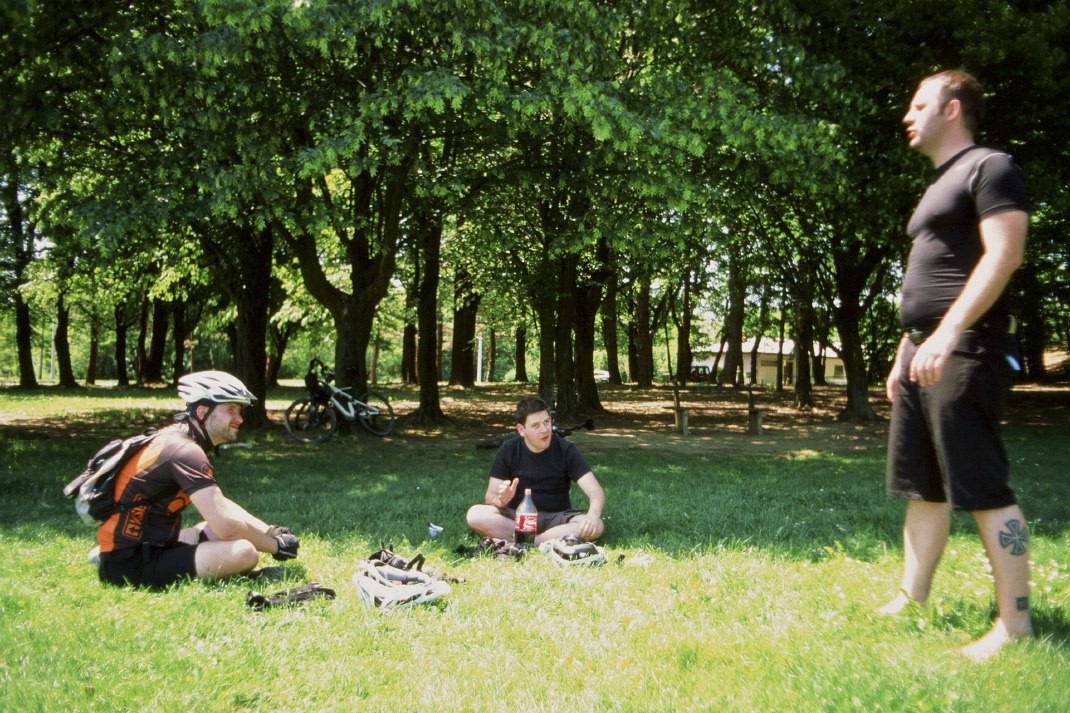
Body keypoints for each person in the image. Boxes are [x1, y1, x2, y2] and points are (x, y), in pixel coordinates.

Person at [878, 70, 1033, 662]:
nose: (907, 115)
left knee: (982, 486)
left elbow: (1005, 253)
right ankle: (910, 598)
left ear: (953, 108)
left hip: (967, 348)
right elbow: (929, 279)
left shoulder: (990, 167)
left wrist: (948, 333)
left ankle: (1015, 625)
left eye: (919, 104)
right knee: (925, 486)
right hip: (925, 349)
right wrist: (906, 351)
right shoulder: (940, 183)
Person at [94, 371, 300, 588]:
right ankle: (105, 558)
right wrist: (276, 547)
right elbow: (227, 528)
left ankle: (101, 554)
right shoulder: (185, 451)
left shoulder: (179, 439)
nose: (239, 418)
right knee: (244, 552)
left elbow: (220, 504)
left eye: (239, 411)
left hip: (143, 546)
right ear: (203, 411)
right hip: (132, 566)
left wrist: (269, 531)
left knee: (209, 528)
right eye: (231, 410)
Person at [466, 397, 605, 545]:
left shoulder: (566, 450)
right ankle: (541, 540)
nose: (544, 429)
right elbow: (490, 497)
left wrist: (592, 516)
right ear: (521, 430)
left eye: (546, 422)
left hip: (556, 519)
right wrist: (500, 500)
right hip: (517, 518)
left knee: (597, 526)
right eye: (536, 425)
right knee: (475, 515)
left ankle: (534, 540)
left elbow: (596, 492)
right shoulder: (509, 449)